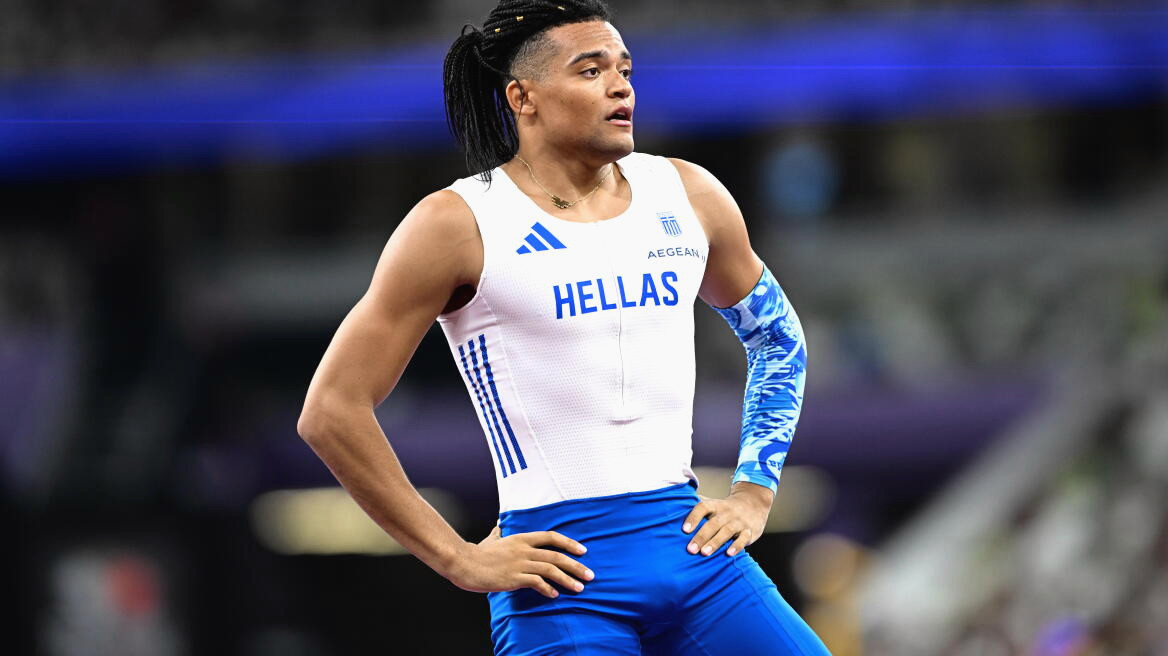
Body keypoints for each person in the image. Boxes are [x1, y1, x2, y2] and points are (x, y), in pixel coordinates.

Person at [297, 1, 829, 653]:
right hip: (561, 583)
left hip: (696, 556)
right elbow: (332, 410)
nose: (620, 86)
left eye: (625, 70)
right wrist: (457, 557)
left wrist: (754, 488)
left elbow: (777, 338)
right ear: (523, 97)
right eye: (591, 70)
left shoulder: (689, 196)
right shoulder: (457, 223)